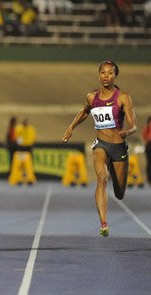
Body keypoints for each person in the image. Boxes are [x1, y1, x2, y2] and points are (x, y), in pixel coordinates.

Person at [62, 60, 137, 237]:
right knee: (101, 179)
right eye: (103, 73)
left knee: (119, 193)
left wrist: (127, 131)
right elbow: (85, 111)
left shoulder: (123, 97)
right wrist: (71, 127)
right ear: (99, 75)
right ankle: (103, 223)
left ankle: (113, 165)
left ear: (115, 76)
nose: (106, 76)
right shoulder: (92, 97)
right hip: (101, 145)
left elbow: (133, 124)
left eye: (110, 73)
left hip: (118, 147)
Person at [143, 116, 151, 185]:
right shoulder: (147, 126)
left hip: (148, 145)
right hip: (149, 145)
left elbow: (144, 136)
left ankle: (149, 179)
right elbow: (145, 136)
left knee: (149, 163)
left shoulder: (147, 126)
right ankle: (149, 178)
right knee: (149, 163)